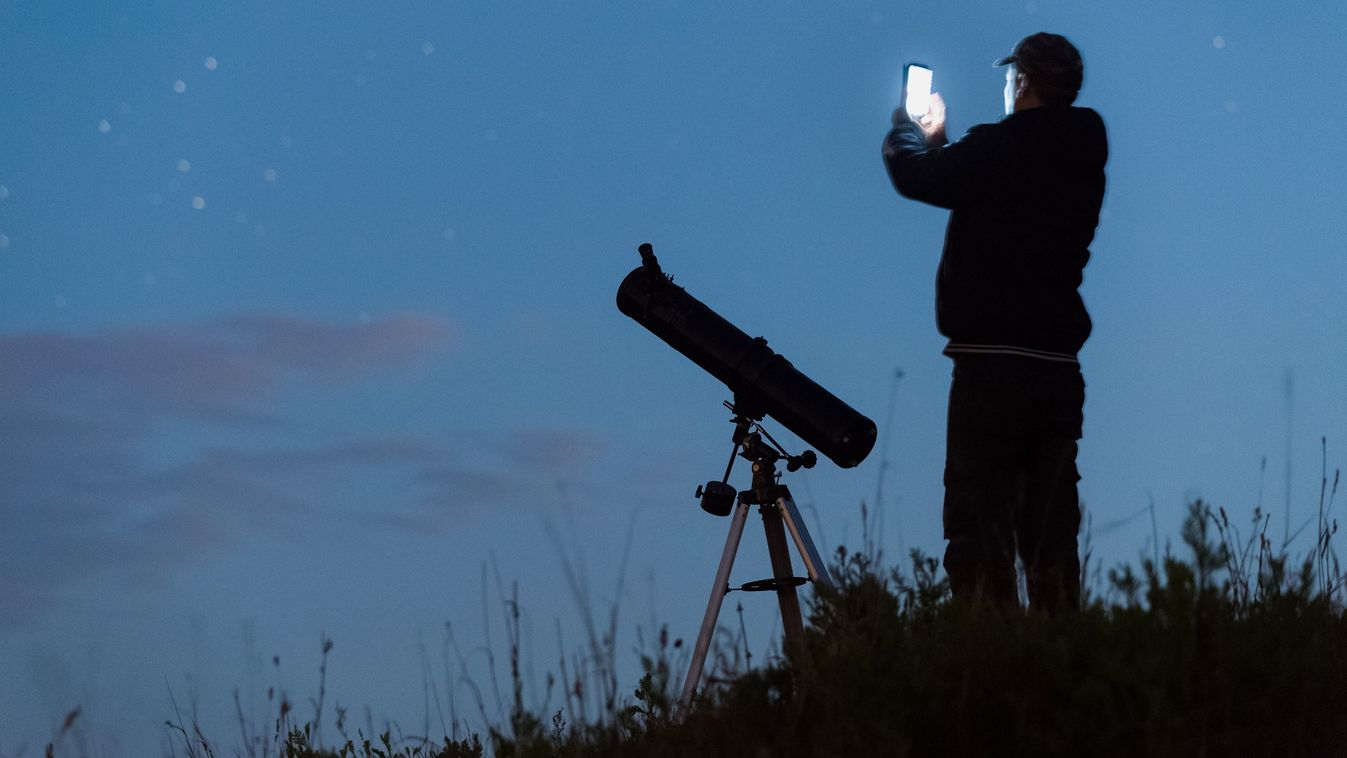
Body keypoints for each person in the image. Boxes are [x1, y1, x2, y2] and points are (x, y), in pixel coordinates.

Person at [882, 32, 1108, 611]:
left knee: (978, 530)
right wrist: (948, 146)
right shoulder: (1084, 145)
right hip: (1056, 371)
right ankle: (1061, 670)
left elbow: (919, 177)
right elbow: (1000, 180)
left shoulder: (998, 147)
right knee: (1051, 535)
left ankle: (992, 673)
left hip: (991, 372)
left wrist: (909, 132)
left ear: (1024, 81)